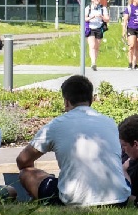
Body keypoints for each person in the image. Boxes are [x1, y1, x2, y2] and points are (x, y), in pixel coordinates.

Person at [16, 75, 130, 206]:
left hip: (73, 200)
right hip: (119, 199)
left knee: (26, 174)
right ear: (91, 99)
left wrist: (37, 173)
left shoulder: (56, 125)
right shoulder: (110, 122)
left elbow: (23, 160)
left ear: (66, 101)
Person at [85, 0, 109, 71]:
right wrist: (92, 17)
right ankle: (93, 63)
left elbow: (107, 19)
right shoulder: (88, 8)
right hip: (91, 28)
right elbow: (84, 18)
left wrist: (101, 16)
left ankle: (94, 61)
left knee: (97, 46)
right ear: (92, 0)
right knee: (92, 45)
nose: (97, 0)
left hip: (99, 28)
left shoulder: (103, 8)